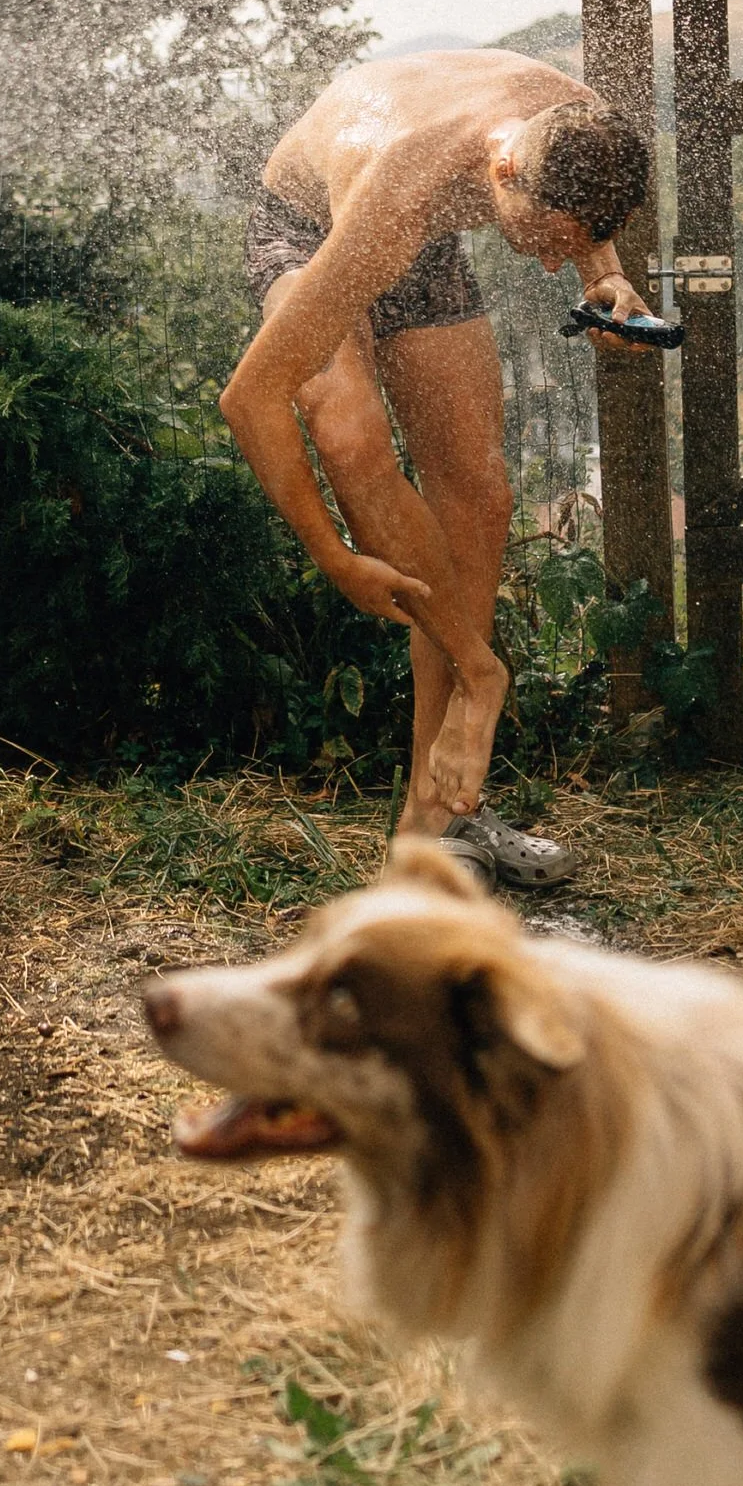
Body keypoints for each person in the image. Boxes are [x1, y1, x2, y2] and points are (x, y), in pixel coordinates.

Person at [220, 50, 650, 887]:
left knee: (478, 490)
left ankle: (437, 819)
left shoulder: (577, 123)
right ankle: (482, 675)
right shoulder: (398, 200)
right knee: (350, 438)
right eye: (547, 242)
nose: (554, 264)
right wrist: (333, 555)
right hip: (316, 230)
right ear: (503, 168)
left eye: (576, 248)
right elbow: (249, 400)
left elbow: (586, 226)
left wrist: (610, 276)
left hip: (422, 234)